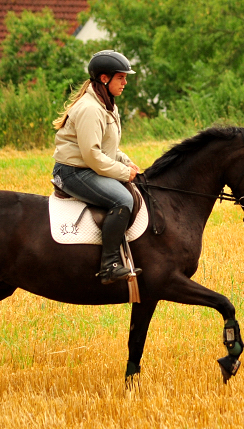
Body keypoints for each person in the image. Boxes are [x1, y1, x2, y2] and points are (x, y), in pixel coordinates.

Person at [52, 50, 142, 285]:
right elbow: (92, 156)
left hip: (86, 167)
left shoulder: (107, 105)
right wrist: (124, 173)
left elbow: (107, 148)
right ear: (105, 79)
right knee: (123, 200)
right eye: (121, 77)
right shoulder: (91, 109)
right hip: (73, 172)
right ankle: (110, 265)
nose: (125, 82)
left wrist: (125, 161)